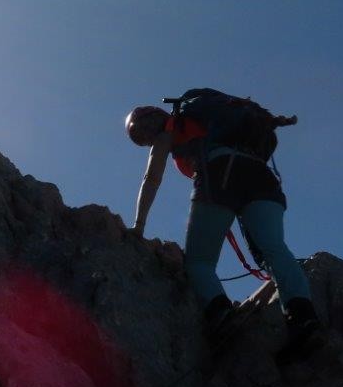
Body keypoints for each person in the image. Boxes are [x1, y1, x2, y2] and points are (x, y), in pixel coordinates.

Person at [125, 89, 321, 355]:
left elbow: (152, 179)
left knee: (199, 262)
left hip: (220, 176)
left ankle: (221, 315)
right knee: (274, 250)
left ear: (151, 124)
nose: (148, 141)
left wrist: (138, 225)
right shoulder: (207, 118)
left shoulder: (171, 129)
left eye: (144, 138)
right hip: (262, 176)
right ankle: (303, 317)